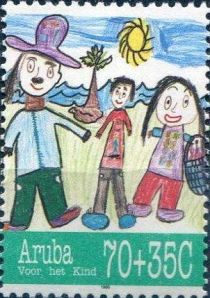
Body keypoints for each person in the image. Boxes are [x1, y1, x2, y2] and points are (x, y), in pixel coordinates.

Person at [4, 15, 91, 231]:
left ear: (57, 77)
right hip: (26, 164)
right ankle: (18, 223)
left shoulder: (49, 114)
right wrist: (7, 145)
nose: (39, 77)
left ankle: (57, 216)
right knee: (24, 194)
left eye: (48, 71)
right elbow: (12, 130)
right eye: (31, 67)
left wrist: (82, 132)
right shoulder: (21, 117)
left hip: (50, 162)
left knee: (53, 189)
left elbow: (65, 122)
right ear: (20, 67)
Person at [128, 76, 204, 222]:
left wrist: (195, 141)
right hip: (157, 165)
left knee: (172, 187)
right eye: (168, 102)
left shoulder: (182, 131)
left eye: (185, 103)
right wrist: (153, 132)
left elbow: (188, 138)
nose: (174, 109)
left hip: (174, 169)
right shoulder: (167, 128)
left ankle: (167, 209)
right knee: (148, 183)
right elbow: (161, 132)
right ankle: (140, 204)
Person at [82, 76, 136, 230]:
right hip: (107, 158)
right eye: (117, 92)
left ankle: (123, 214)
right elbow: (105, 124)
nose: (119, 96)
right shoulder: (112, 114)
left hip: (118, 158)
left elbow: (129, 124)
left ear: (129, 98)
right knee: (104, 183)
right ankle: (99, 213)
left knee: (118, 185)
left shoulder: (123, 114)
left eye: (124, 94)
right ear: (111, 93)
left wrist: (131, 130)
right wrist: (99, 133)